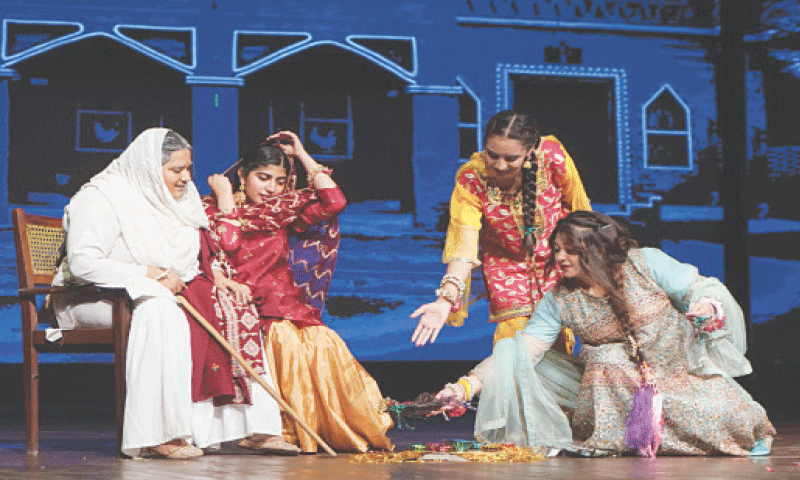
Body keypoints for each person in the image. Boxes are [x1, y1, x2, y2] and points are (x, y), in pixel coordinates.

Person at [438, 211, 775, 457]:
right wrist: (464, 387)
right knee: (605, 356)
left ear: (597, 249)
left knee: (740, 423)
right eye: (556, 249)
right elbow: (523, 349)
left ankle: (651, 433)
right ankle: (613, 438)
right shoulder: (560, 299)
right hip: (611, 396)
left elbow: (702, 288)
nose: (559, 257)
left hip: (678, 376)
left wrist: (707, 308)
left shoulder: (645, 263)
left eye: (570, 249)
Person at [52, 128, 290, 458]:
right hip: (88, 297)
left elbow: (191, 256)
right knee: (161, 310)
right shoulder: (102, 196)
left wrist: (215, 274)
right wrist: (149, 274)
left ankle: (248, 429)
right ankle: (158, 434)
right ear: (150, 167)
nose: (185, 178)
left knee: (229, 305)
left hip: (154, 290)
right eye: (176, 170)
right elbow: (84, 264)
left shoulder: (177, 198)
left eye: (188, 168)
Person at [200, 131, 393, 453]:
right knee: (285, 341)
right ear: (243, 174)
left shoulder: (281, 212)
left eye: (279, 181)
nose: (272, 188)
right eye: (263, 178)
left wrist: (301, 154)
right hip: (239, 301)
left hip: (283, 299)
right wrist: (223, 196)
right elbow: (228, 243)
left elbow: (335, 202)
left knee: (323, 342)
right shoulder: (208, 207)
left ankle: (332, 428)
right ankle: (278, 429)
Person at [411, 110, 591, 348]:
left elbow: (581, 213)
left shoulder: (552, 158)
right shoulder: (472, 179)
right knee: (513, 344)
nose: (500, 165)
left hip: (556, 260)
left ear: (529, 151)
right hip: (504, 264)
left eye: (511, 159)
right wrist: (446, 299)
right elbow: (464, 242)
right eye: (492, 155)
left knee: (557, 341)